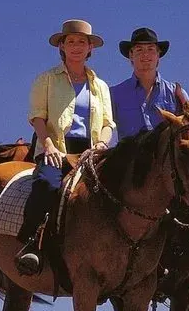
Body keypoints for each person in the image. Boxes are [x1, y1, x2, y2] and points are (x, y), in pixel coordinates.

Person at [108, 28, 189, 311]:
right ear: (130, 57)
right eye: (139, 51)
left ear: (159, 56)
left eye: (151, 50)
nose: (145, 55)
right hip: (129, 171)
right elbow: (106, 127)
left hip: (166, 170)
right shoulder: (114, 94)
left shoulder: (175, 92)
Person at [16, 19, 115, 275]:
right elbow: (38, 116)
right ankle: (32, 242)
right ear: (62, 46)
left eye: (82, 42)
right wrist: (47, 145)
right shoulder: (47, 79)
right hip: (55, 146)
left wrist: (102, 144)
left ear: (90, 48)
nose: (76, 46)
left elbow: (108, 123)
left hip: (91, 151)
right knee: (47, 184)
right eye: (70, 41)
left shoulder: (100, 86)